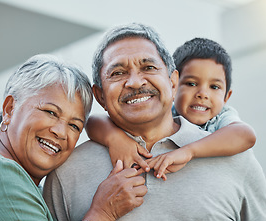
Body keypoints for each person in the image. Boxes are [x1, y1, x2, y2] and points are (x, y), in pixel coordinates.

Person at [43, 23, 266, 221]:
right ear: (100, 96)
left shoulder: (234, 157)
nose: (135, 82)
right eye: (118, 73)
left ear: (172, 81)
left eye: (148, 67)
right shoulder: (65, 173)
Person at [0, 54, 147, 221]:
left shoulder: (5, 173)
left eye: (74, 125)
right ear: (9, 109)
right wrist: (103, 213)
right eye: (51, 112)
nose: (61, 132)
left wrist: (112, 137)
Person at [85, 37, 256, 180]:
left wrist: (189, 151)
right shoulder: (165, 111)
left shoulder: (221, 119)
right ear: (174, 85)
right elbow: (92, 121)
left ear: (227, 97)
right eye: (191, 84)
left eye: (214, 87)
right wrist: (115, 139)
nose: (202, 94)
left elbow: (246, 135)